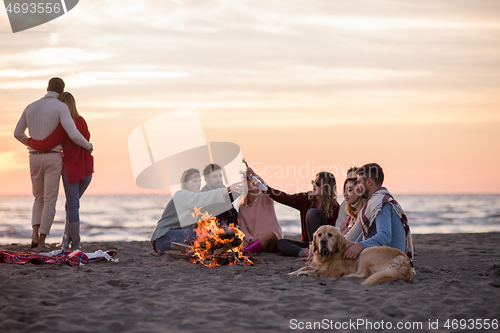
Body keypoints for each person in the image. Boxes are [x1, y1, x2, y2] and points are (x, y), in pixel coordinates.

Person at [13, 78, 93, 249]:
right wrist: (89, 146)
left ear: (47, 88)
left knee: (38, 198)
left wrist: (31, 143)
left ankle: (34, 235)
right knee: (50, 200)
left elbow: (17, 133)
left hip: (33, 156)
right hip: (53, 157)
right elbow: (73, 134)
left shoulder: (30, 106)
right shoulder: (61, 107)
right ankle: (42, 241)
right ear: (62, 90)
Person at [150, 168, 242, 254]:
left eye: (199, 181)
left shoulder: (195, 198)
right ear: (186, 184)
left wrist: (239, 191)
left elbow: (219, 203)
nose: (198, 184)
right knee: (205, 233)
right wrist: (228, 189)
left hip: (178, 237)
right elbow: (204, 197)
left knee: (210, 233)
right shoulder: (181, 195)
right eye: (195, 181)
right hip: (163, 238)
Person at [343, 163, 415, 272]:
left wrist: (360, 246)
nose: (357, 187)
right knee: (362, 235)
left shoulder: (381, 203)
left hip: (392, 262)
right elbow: (352, 236)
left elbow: (385, 236)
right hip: (385, 259)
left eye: (358, 182)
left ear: (369, 182)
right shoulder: (372, 204)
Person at [250, 169, 339, 257]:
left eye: (318, 184)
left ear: (326, 187)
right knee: (281, 243)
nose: (314, 185)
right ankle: (304, 253)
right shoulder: (306, 199)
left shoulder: (335, 207)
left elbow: (335, 232)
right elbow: (284, 197)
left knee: (312, 213)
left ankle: (314, 251)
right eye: (313, 182)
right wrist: (264, 188)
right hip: (308, 244)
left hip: (325, 245)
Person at [238, 179, 283, 255]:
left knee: (270, 234)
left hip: (273, 241)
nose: (249, 183)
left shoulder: (265, 198)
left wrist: (254, 176)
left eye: (253, 183)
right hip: (256, 241)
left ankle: (244, 253)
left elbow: (266, 188)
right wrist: (251, 239)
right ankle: (251, 250)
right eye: (247, 183)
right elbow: (243, 229)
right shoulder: (242, 207)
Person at [339, 177, 367, 241]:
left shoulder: (364, 212)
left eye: (349, 190)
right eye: (345, 190)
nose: (345, 194)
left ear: (359, 191)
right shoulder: (353, 215)